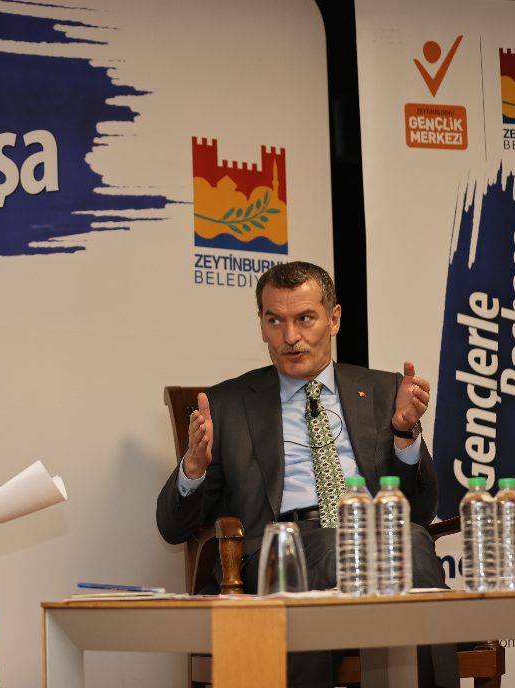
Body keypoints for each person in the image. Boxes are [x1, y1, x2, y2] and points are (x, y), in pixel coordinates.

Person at [156, 261, 456, 688]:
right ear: (261, 325)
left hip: (377, 540)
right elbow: (173, 529)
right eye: (274, 321)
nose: (290, 337)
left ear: (333, 319)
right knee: (374, 548)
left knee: (412, 540)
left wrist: (405, 435)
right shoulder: (228, 404)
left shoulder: (384, 391)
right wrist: (193, 468)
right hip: (279, 551)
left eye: (304, 319)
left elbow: (421, 512)